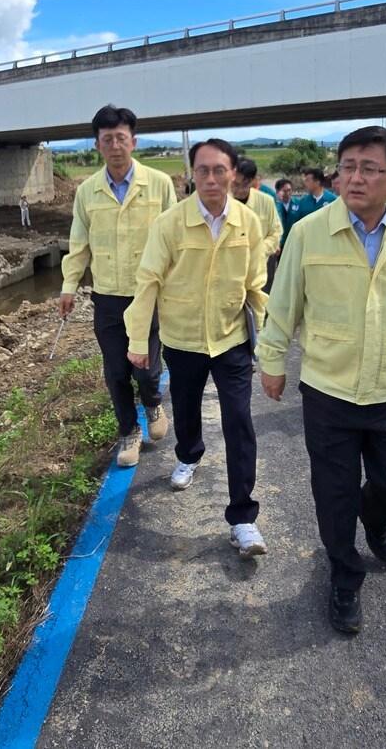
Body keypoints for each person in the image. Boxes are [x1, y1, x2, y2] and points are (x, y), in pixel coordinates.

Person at [259, 126, 386, 634]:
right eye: (347, 166)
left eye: (368, 168)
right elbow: (283, 306)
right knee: (334, 494)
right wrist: (273, 360)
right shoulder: (309, 231)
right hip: (329, 389)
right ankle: (344, 576)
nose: (354, 177)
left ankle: (376, 519)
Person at [126, 138, 270, 557]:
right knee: (186, 409)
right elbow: (148, 280)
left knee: (239, 421)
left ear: (233, 174)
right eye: (203, 170)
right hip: (183, 340)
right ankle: (189, 455)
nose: (211, 178)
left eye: (219, 170)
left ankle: (243, 518)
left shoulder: (248, 222)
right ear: (192, 174)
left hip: (231, 340)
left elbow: (256, 286)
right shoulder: (170, 224)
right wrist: (139, 341)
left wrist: (267, 340)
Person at [61, 105, 177, 468]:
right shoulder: (87, 192)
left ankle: (154, 404)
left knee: (146, 368)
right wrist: (68, 286)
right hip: (107, 296)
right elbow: (79, 242)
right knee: (115, 371)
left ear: (133, 142)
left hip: (149, 295)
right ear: (97, 144)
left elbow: (175, 239)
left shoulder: (159, 184)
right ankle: (129, 431)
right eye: (107, 139)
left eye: (121, 138)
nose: (115, 145)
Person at [233, 158, 282, 291]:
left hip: (262, 264)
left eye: (245, 184)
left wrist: (260, 250)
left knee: (262, 302)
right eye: (236, 184)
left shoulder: (266, 201)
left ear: (254, 180)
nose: (240, 190)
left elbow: (276, 232)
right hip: (232, 266)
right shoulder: (223, 203)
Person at [274, 178, 299, 247]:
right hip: (278, 244)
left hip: (294, 242)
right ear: (278, 191)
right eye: (284, 191)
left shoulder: (298, 204)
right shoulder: (274, 205)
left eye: (289, 190)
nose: (287, 193)